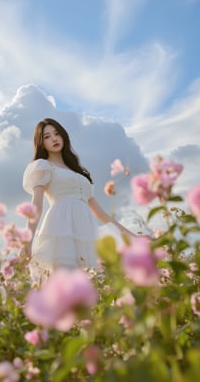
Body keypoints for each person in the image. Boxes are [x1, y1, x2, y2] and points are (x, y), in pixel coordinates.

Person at [23, 118, 136, 279]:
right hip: (61, 229)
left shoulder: (79, 172)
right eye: (47, 136)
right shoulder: (43, 166)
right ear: (41, 143)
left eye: (56, 134)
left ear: (63, 136)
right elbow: (36, 205)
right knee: (65, 283)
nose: (54, 139)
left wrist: (131, 235)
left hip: (87, 231)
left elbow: (101, 214)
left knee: (92, 282)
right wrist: (27, 242)